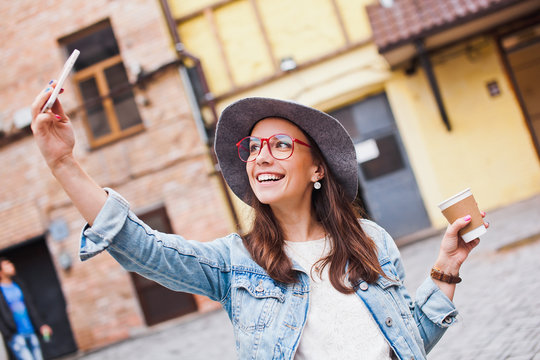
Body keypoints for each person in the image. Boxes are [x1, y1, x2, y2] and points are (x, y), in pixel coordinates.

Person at [31, 82, 488, 360]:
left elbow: (407, 342)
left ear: (318, 168)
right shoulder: (237, 262)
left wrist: (447, 266)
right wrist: (64, 163)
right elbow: (142, 247)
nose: (261, 155)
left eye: (280, 145)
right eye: (253, 147)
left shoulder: (372, 241)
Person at [0, 258, 52, 360]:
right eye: (7, 265)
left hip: (30, 330)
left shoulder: (19, 285)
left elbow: (31, 306)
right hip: (15, 336)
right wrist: (9, 335)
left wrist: (41, 325)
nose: (12, 266)